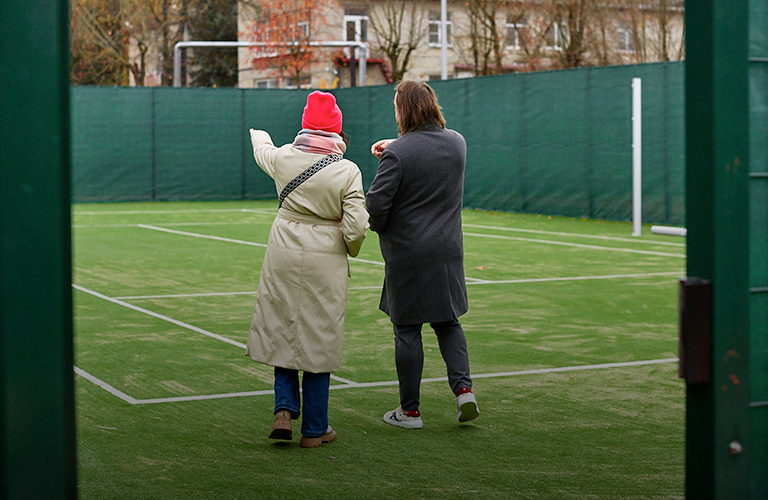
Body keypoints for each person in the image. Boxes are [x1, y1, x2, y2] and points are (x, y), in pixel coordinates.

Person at [246, 91, 368, 447]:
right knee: (319, 336)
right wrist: (348, 248)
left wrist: (259, 133)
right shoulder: (347, 170)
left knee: (283, 327)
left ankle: (283, 410)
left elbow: (262, 152)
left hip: (282, 251)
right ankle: (315, 429)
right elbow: (358, 227)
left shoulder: (284, 157)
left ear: (304, 125)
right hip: (325, 258)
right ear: (336, 130)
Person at [366, 80, 479, 429]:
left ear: (404, 109)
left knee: (407, 329)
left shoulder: (399, 154)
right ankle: (464, 392)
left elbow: (376, 206)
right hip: (448, 250)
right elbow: (425, 151)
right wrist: (394, 147)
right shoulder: (457, 143)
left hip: (408, 253)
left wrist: (391, 153)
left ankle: (410, 411)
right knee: (448, 323)